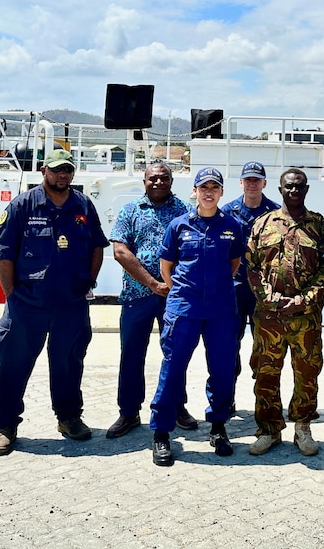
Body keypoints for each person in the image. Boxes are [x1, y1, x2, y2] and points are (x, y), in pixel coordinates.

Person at [0, 148, 109, 456]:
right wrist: (12, 295)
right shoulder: (22, 206)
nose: (62, 174)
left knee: (69, 364)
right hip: (27, 304)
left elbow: (97, 245)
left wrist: (89, 282)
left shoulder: (83, 205)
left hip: (71, 303)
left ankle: (68, 418)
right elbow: (2, 254)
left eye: (67, 169)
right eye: (56, 170)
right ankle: (5, 425)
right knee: (12, 364)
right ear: (44, 171)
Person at [148, 167, 244, 467]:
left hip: (220, 310)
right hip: (185, 308)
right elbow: (166, 267)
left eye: (214, 188)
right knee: (173, 369)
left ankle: (217, 427)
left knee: (222, 369)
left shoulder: (232, 226)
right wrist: (184, 291)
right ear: (195, 191)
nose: (209, 192)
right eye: (204, 187)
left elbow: (234, 263)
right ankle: (161, 433)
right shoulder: (178, 226)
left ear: (221, 193)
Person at [106, 162, 198, 439]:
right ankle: (129, 412)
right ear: (144, 181)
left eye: (163, 178)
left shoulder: (185, 211)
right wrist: (152, 283)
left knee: (176, 354)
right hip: (137, 296)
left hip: (176, 298)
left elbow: (193, 250)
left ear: (171, 180)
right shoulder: (130, 211)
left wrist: (172, 284)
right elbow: (120, 251)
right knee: (132, 355)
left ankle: (176, 407)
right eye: (152, 178)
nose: (158, 183)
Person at [245, 168, 324, 458]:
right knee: (266, 373)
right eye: (288, 187)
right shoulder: (262, 224)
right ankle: (269, 430)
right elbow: (252, 266)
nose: (293, 191)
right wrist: (270, 298)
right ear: (280, 190)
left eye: (299, 187)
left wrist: (303, 300)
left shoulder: (320, 226)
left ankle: (303, 426)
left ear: (306, 189)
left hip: (305, 318)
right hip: (268, 317)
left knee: (307, 372)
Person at [221, 160, 280, 407]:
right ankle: (224, 400)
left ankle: (264, 402)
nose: (252, 184)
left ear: (265, 183)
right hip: (233, 290)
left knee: (265, 348)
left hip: (263, 293)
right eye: (248, 180)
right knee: (226, 346)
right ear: (241, 183)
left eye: (257, 180)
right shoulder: (226, 212)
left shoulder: (277, 213)